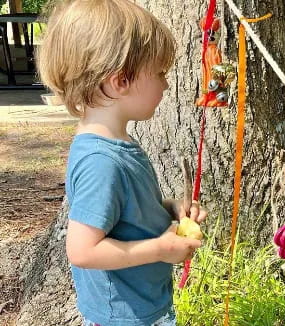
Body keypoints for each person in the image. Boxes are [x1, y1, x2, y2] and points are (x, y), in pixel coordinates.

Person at [36, 1, 206, 325]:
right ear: (120, 81)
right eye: (160, 74)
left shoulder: (114, 143)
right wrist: (159, 249)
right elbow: (83, 251)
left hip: (141, 308)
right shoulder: (102, 162)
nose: (166, 85)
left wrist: (170, 209)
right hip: (125, 318)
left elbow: (124, 212)